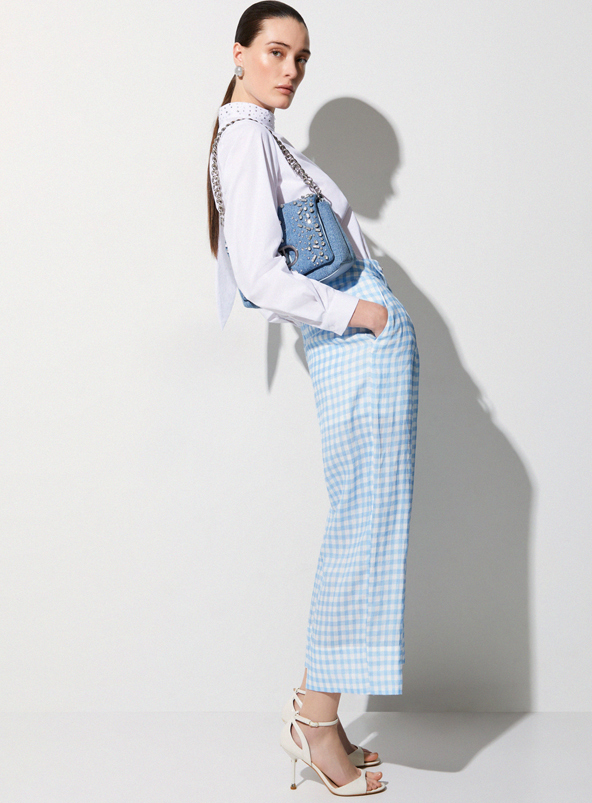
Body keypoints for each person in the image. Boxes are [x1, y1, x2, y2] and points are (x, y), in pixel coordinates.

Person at [207, 2, 419, 796]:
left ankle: (318, 712)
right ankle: (315, 720)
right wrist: (360, 313)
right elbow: (261, 276)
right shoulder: (244, 141)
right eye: (275, 52)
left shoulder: (264, 139)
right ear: (238, 53)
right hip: (356, 342)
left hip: (364, 345)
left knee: (367, 523)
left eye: (301, 58)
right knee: (363, 527)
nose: (290, 69)